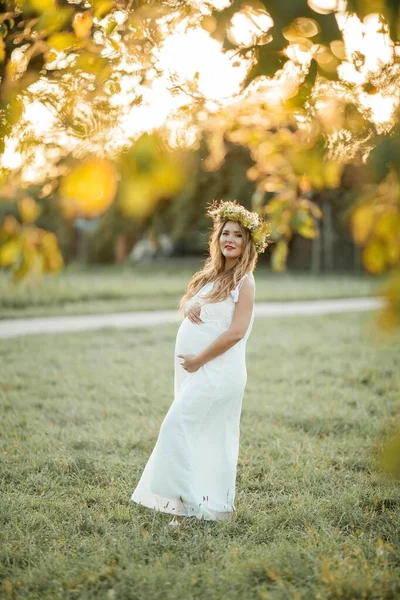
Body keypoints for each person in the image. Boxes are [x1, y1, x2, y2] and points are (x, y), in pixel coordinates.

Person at [130, 200, 270, 525]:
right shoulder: (212, 274)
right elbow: (194, 308)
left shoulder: (243, 281)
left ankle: (184, 508)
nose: (229, 239)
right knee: (200, 437)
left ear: (248, 242)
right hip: (195, 370)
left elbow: (236, 333)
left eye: (237, 234)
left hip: (218, 372)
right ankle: (208, 509)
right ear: (217, 238)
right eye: (225, 233)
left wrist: (198, 360)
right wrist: (188, 307)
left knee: (176, 428)